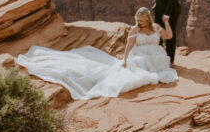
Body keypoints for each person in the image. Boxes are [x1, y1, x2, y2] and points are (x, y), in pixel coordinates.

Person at [16, 7, 177, 101]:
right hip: (139, 56)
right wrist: (125, 60)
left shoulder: (156, 27)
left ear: (148, 19)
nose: (139, 23)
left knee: (159, 71)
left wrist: (166, 22)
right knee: (135, 72)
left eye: (142, 20)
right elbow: (129, 45)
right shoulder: (135, 30)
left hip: (156, 56)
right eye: (138, 20)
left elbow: (168, 36)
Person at [152, 0, 181, 64]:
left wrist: (167, 14)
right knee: (158, 33)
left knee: (170, 34)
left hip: (170, 12)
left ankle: (170, 59)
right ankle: (159, 56)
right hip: (159, 11)